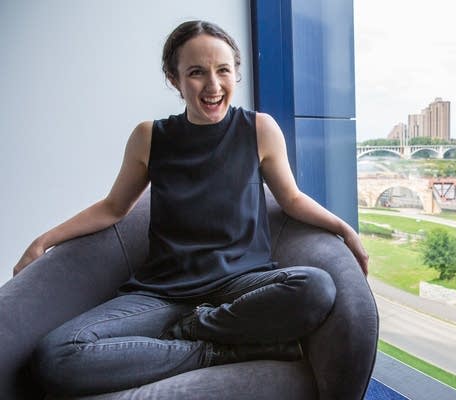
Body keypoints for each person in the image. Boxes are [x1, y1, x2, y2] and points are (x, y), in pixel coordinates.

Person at [13, 20, 368, 396]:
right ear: (174, 78)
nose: (213, 86)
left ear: (236, 73)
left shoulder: (259, 129)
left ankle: (194, 330)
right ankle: (213, 350)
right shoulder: (149, 137)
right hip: (163, 293)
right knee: (55, 357)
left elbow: (292, 198)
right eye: (197, 73)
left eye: (223, 70)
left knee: (315, 286)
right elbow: (113, 207)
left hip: (239, 288)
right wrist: (43, 241)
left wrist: (344, 230)